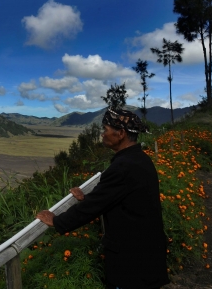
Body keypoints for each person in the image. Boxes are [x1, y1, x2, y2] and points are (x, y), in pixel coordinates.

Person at [36, 108, 169, 289]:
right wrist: (88, 197)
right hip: (147, 253)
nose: (102, 134)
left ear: (121, 133)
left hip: (132, 261)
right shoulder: (139, 159)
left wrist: (58, 221)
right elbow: (116, 197)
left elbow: (93, 207)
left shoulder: (123, 166)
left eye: (105, 129)